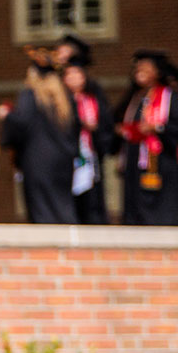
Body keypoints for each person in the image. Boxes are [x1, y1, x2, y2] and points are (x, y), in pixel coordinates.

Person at [0, 45, 81, 224]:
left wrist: (7, 116)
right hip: (63, 162)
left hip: (38, 161)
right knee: (63, 205)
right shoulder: (65, 99)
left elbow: (22, 123)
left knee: (42, 209)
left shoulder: (30, 94)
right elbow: (75, 130)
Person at [116, 47, 178, 225]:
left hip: (162, 160)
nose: (140, 71)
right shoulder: (134, 97)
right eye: (138, 67)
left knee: (162, 207)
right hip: (135, 161)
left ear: (158, 71)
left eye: (146, 67)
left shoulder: (170, 97)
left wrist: (158, 127)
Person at [58, 41, 116, 224]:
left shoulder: (94, 99)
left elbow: (107, 127)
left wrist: (95, 128)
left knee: (92, 197)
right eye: (69, 74)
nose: (74, 78)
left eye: (78, 73)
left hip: (90, 155)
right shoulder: (61, 101)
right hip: (68, 157)